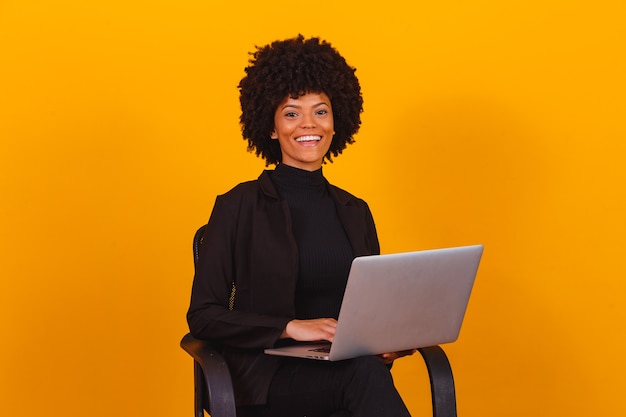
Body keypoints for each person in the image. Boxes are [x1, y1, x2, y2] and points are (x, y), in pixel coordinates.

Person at [187, 35, 415, 417]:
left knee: (367, 371)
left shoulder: (355, 210)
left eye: (320, 111)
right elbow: (204, 315)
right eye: (292, 113)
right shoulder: (238, 206)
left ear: (335, 121)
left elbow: (368, 307)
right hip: (265, 378)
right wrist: (290, 327)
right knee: (364, 377)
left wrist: (386, 342)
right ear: (272, 128)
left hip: (342, 369)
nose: (308, 124)